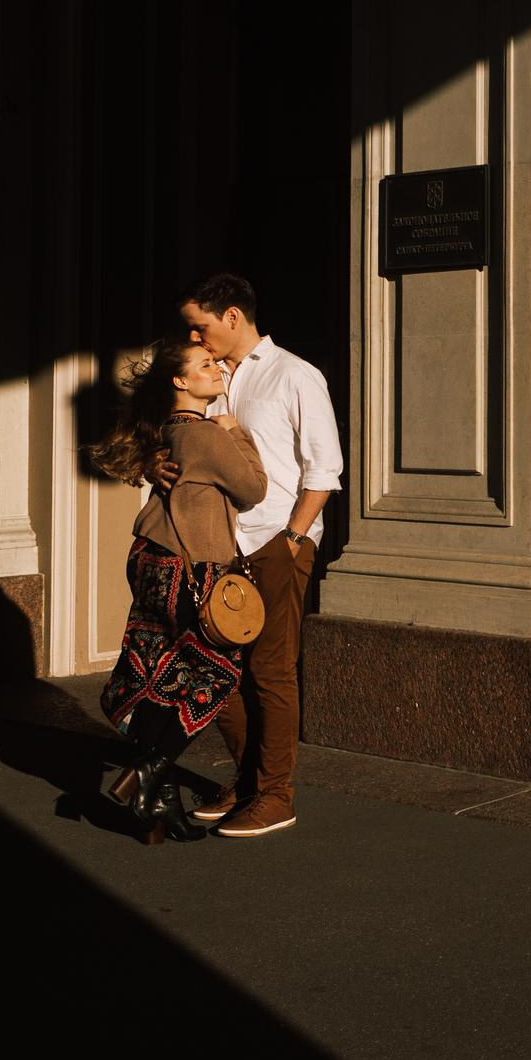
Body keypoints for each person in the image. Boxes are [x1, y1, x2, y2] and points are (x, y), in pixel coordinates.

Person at [164, 272, 343, 838]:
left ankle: (275, 794)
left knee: (270, 670)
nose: (194, 335)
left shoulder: (295, 375)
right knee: (222, 669)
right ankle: (246, 781)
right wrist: (157, 464)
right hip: (219, 545)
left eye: (201, 324)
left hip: (275, 543)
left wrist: (293, 540)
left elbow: (325, 468)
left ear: (233, 316)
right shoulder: (212, 376)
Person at [86, 337, 268, 843]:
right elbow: (254, 490)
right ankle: (147, 770)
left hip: (150, 556)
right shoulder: (210, 434)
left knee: (161, 669)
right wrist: (236, 433)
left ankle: (159, 804)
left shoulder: (167, 430)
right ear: (179, 381)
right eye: (205, 365)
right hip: (190, 564)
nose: (217, 370)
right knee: (214, 673)